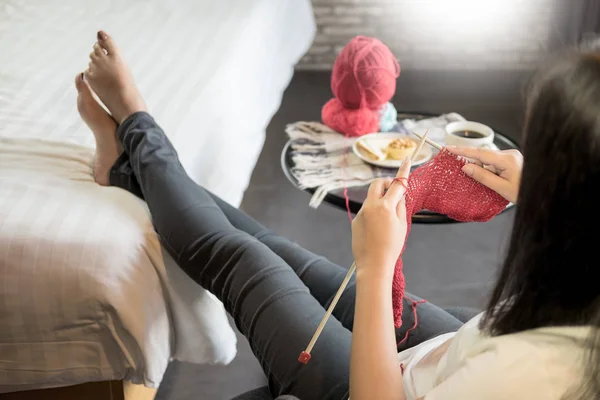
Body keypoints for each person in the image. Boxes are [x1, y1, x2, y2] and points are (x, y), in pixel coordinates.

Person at [77, 31, 599, 400]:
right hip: (457, 352)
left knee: (243, 260)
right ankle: (125, 167)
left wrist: (375, 268)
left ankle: (136, 123)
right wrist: (540, 186)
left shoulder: (532, 376)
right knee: (279, 252)